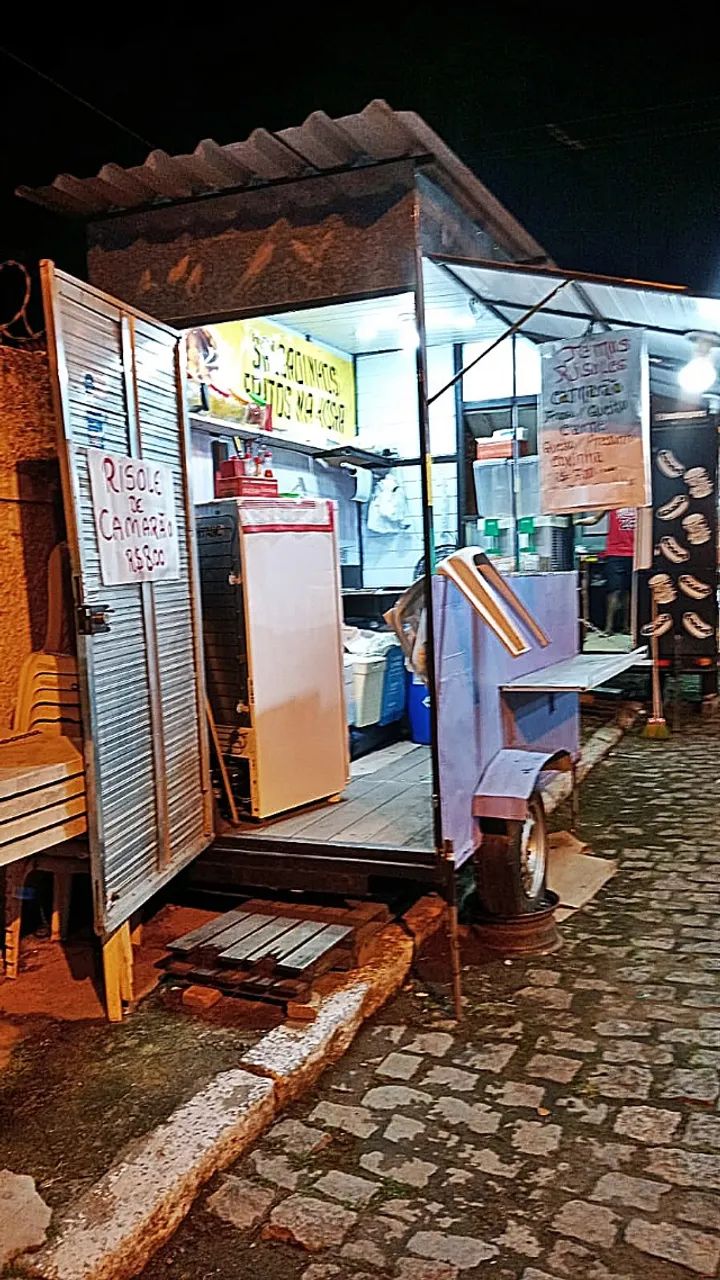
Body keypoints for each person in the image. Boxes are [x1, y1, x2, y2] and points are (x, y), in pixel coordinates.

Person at [574, 508, 636, 634]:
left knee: (629, 591)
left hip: (635, 552)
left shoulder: (639, 501)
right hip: (615, 553)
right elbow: (594, 519)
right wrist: (575, 522)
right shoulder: (613, 502)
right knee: (614, 590)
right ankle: (609, 627)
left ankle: (627, 627)